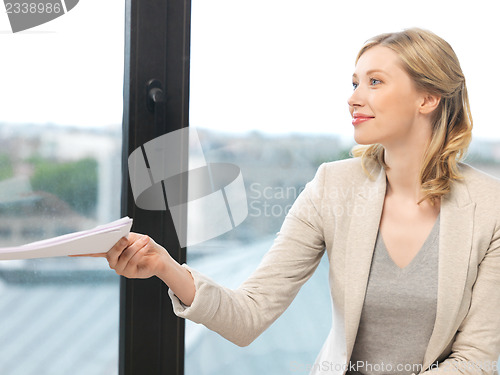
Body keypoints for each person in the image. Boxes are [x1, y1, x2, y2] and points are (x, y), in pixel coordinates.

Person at [90, 28, 500, 374]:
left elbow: (475, 360)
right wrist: (164, 266)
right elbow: (249, 315)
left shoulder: (490, 205)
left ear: (428, 98)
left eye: (375, 82)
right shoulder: (332, 186)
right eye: (354, 82)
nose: (354, 97)